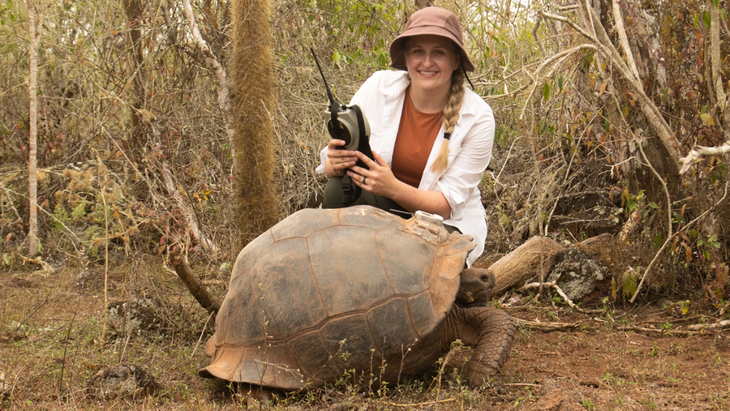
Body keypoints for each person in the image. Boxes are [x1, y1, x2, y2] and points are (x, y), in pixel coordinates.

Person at [315, 7, 495, 266]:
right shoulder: (378, 87)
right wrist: (335, 161)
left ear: (456, 61)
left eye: (439, 52)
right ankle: (349, 270)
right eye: (418, 51)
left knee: (413, 262)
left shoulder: (477, 118)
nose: (427, 62)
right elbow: (334, 165)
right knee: (336, 191)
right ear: (407, 57)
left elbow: (445, 206)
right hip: (384, 205)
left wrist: (392, 186)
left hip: (443, 222)